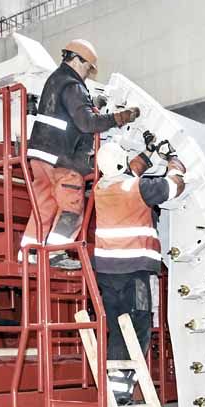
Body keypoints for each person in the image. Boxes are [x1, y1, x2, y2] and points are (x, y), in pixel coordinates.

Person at [20, 39, 139, 269]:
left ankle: (29, 253)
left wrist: (93, 104)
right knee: (72, 206)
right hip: (64, 158)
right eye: (87, 68)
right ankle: (56, 254)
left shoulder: (55, 80)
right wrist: (119, 117)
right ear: (76, 60)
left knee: (44, 204)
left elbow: (69, 114)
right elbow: (86, 123)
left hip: (40, 156)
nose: (87, 73)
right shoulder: (72, 84)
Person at [93, 138, 187, 403]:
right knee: (139, 326)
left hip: (107, 272)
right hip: (135, 271)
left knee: (117, 328)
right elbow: (173, 186)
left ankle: (116, 392)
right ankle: (121, 393)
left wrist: (148, 152)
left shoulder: (102, 187)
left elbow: (128, 171)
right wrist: (173, 160)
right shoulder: (138, 188)